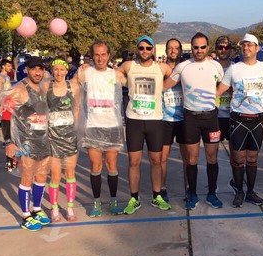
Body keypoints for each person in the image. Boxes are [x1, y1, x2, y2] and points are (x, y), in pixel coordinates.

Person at [164, 32, 224, 209]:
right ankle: (192, 194)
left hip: (211, 118)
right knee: (192, 158)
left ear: (208, 47)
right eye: (196, 47)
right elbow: (163, 85)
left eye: (202, 47)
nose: (199, 50)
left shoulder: (216, 66)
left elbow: (226, 85)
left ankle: (212, 193)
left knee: (212, 157)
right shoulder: (182, 67)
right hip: (190, 118)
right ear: (191, 48)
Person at [116, 35, 173, 214]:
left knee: (156, 160)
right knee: (134, 161)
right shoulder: (129, 66)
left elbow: (176, 77)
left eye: (148, 48)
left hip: (155, 120)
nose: (145, 51)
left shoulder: (161, 67)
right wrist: (126, 83)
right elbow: (114, 74)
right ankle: (134, 198)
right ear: (137, 49)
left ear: (153, 50)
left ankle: (157, 196)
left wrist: (162, 87)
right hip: (134, 120)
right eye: (141, 48)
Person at [216, 33, 263, 208]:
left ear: (257, 48)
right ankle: (239, 191)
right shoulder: (234, 69)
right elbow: (219, 90)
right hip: (238, 119)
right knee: (238, 158)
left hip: (257, 120)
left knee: (252, 159)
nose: (246, 48)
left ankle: (251, 192)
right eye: (243, 45)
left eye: (249, 45)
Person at [0, 56, 52, 231]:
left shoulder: (44, 87)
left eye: (40, 69)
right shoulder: (18, 89)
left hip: (43, 138)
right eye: (34, 69)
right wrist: (8, 142)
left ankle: (37, 209)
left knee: (42, 175)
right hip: (26, 140)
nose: (37, 72)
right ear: (27, 70)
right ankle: (25, 215)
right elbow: (5, 115)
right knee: (27, 176)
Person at [78, 40, 127, 217]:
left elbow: (134, 84)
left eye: (103, 54)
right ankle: (96, 202)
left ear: (108, 55)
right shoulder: (85, 73)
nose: (100, 58)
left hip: (112, 125)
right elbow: (71, 87)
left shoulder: (116, 75)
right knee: (95, 165)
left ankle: (113, 201)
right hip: (93, 125)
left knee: (111, 165)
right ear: (92, 56)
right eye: (96, 55)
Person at [46, 58, 81, 222]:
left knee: (70, 173)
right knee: (54, 175)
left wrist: (76, 129)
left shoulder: (72, 87)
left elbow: (77, 108)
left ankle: (69, 207)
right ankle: (54, 208)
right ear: (52, 71)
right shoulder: (46, 87)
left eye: (62, 69)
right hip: (52, 136)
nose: (59, 73)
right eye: (56, 69)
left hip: (69, 136)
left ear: (67, 71)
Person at [159, 38, 188, 203]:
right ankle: (162, 189)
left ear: (180, 50)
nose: (173, 50)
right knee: (162, 158)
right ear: (166, 51)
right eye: (170, 48)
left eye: (176, 48)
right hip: (165, 119)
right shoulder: (160, 69)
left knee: (187, 158)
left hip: (184, 119)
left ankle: (188, 189)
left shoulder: (185, 69)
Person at [0, 59, 15, 172]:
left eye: (10, 66)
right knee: (7, 136)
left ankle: (13, 159)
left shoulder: (7, 77)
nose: (10, 68)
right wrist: (0, 107)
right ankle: (9, 161)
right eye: (8, 66)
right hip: (4, 108)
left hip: (9, 106)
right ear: (3, 66)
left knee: (12, 135)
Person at [214, 35, 234, 146]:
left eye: (226, 47)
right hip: (215, 116)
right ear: (215, 49)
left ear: (230, 49)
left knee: (235, 151)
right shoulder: (210, 68)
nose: (223, 50)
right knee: (212, 150)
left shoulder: (236, 68)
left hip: (232, 115)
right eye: (220, 47)